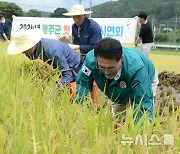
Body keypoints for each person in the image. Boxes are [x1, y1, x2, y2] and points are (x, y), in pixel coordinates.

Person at [76, 38, 159, 125]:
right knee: (118, 120)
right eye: (102, 67)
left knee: (141, 116)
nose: (106, 71)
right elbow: (82, 84)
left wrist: (139, 131)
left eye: (111, 67)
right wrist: (84, 114)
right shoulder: (90, 60)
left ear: (121, 58)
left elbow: (143, 102)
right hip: (115, 88)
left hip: (146, 78)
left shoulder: (136, 68)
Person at [7, 29, 83, 88]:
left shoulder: (52, 51)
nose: (23, 53)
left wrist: (53, 88)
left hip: (75, 66)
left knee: (73, 91)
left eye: (24, 50)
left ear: (31, 46)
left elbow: (67, 74)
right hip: (63, 66)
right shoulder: (38, 48)